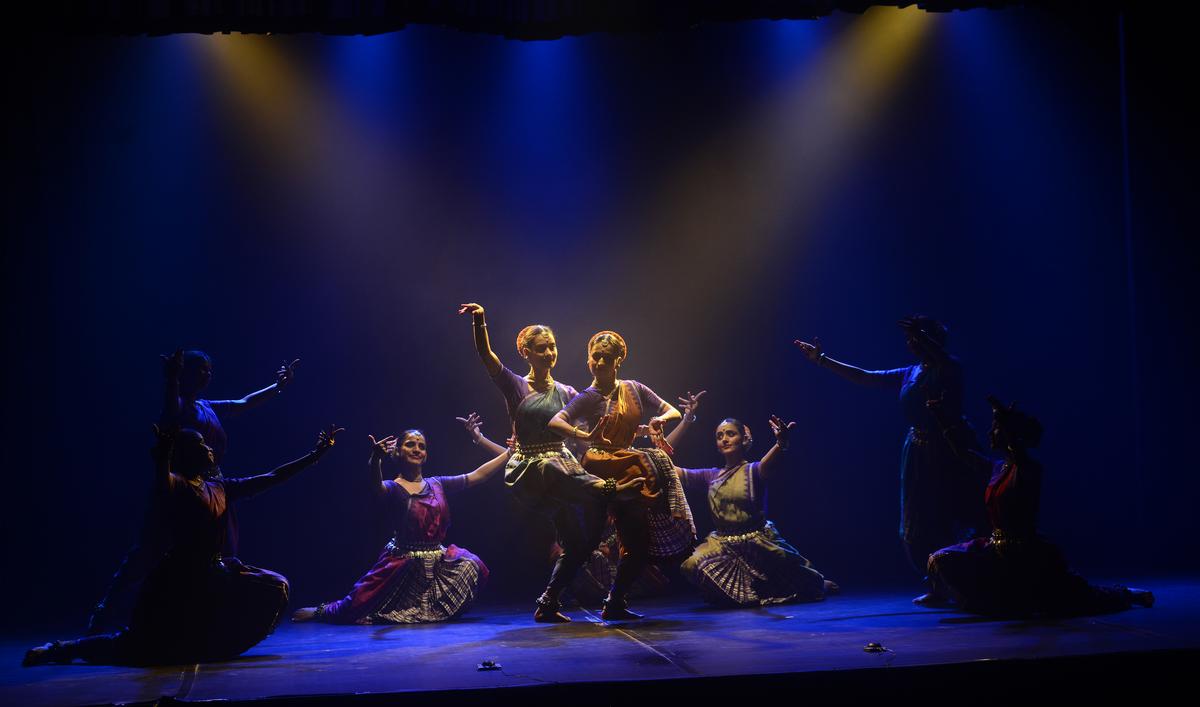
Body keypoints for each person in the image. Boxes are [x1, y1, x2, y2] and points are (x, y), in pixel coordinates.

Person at [25, 424, 339, 666]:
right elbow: (162, 479)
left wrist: (314, 456)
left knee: (275, 586)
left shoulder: (220, 487)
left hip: (214, 573)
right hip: (179, 578)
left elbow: (272, 476)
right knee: (136, 646)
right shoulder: (176, 483)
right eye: (201, 444)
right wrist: (163, 454)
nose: (209, 448)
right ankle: (61, 649)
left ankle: (212, 647)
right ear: (187, 454)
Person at [88, 349, 300, 634]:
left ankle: (205, 620)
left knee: (217, 556)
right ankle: (104, 618)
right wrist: (171, 380)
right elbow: (170, 416)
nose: (206, 374)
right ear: (184, 372)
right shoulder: (177, 405)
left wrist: (277, 387)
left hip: (212, 489)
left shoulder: (206, 406)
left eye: (209, 370)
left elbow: (243, 402)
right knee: (149, 551)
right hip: (180, 489)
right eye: (200, 369)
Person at [456, 305, 642, 623]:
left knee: (579, 544)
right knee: (553, 467)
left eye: (552, 346)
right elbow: (485, 354)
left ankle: (549, 602)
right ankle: (611, 489)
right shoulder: (514, 385)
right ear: (526, 352)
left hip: (564, 471)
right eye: (541, 348)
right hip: (531, 468)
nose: (549, 353)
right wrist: (479, 320)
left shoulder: (567, 392)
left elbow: (589, 432)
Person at [794, 316, 986, 592]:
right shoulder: (912, 372)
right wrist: (822, 359)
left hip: (949, 448)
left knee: (949, 512)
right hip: (918, 450)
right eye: (910, 339)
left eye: (916, 338)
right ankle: (937, 582)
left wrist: (924, 336)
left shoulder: (949, 367)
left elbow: (941, 360)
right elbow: (866, 377)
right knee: (918, 519)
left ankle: (964, 582)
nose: (910, 343)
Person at [919, 395, 1153, 616]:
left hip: (1026, 552)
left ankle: (1127, 594)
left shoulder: (1028, 468)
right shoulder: (997, 467)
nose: (990, 432)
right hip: (995, 548)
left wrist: (1007, 424)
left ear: (1010, 435)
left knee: (1074, 599)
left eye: (996, 428)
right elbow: (962, 452)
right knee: (944, 559)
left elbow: (1020, 456)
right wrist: (941, 416)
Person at [549, 330, 696, 621]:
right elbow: (556, 421)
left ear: (619, 360)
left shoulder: (634, 388)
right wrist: (584, 434)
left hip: (628, 463)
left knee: (637, 542)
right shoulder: (589, 396)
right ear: (588, 359)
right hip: (599, 466)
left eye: (606, 357)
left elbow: (671, 411)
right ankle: (548, 600)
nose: (599, 362)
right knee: (587, 542)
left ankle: (615, 600)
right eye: (595, 357)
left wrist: (658, 420)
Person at [293, 428, 507, 624]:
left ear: (426, 455)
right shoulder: (393, 488)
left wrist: (509, 453)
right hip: (402, 561)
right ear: (397, 451)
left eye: (421, 446)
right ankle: (320, 611)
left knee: (472, 565)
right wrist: (375, 460)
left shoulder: (437, 483)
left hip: (437, 561)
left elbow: (478, 476)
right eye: (410, 444)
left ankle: (430, 610)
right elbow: (375, 486)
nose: (417, 449)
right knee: (357, 602)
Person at [677, 416, 833, 606]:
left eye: (730, 434)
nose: (724, 439)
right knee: (691, 564)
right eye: (719, 436)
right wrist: (686, 421)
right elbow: (668, 467)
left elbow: (770, 461)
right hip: (722, 546)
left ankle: (818, 584)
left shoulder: (754, 471)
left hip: (758, 544)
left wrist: (781, 442)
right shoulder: (710, 476)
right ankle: (743, 596)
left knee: (806, 583)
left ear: (744, 439)